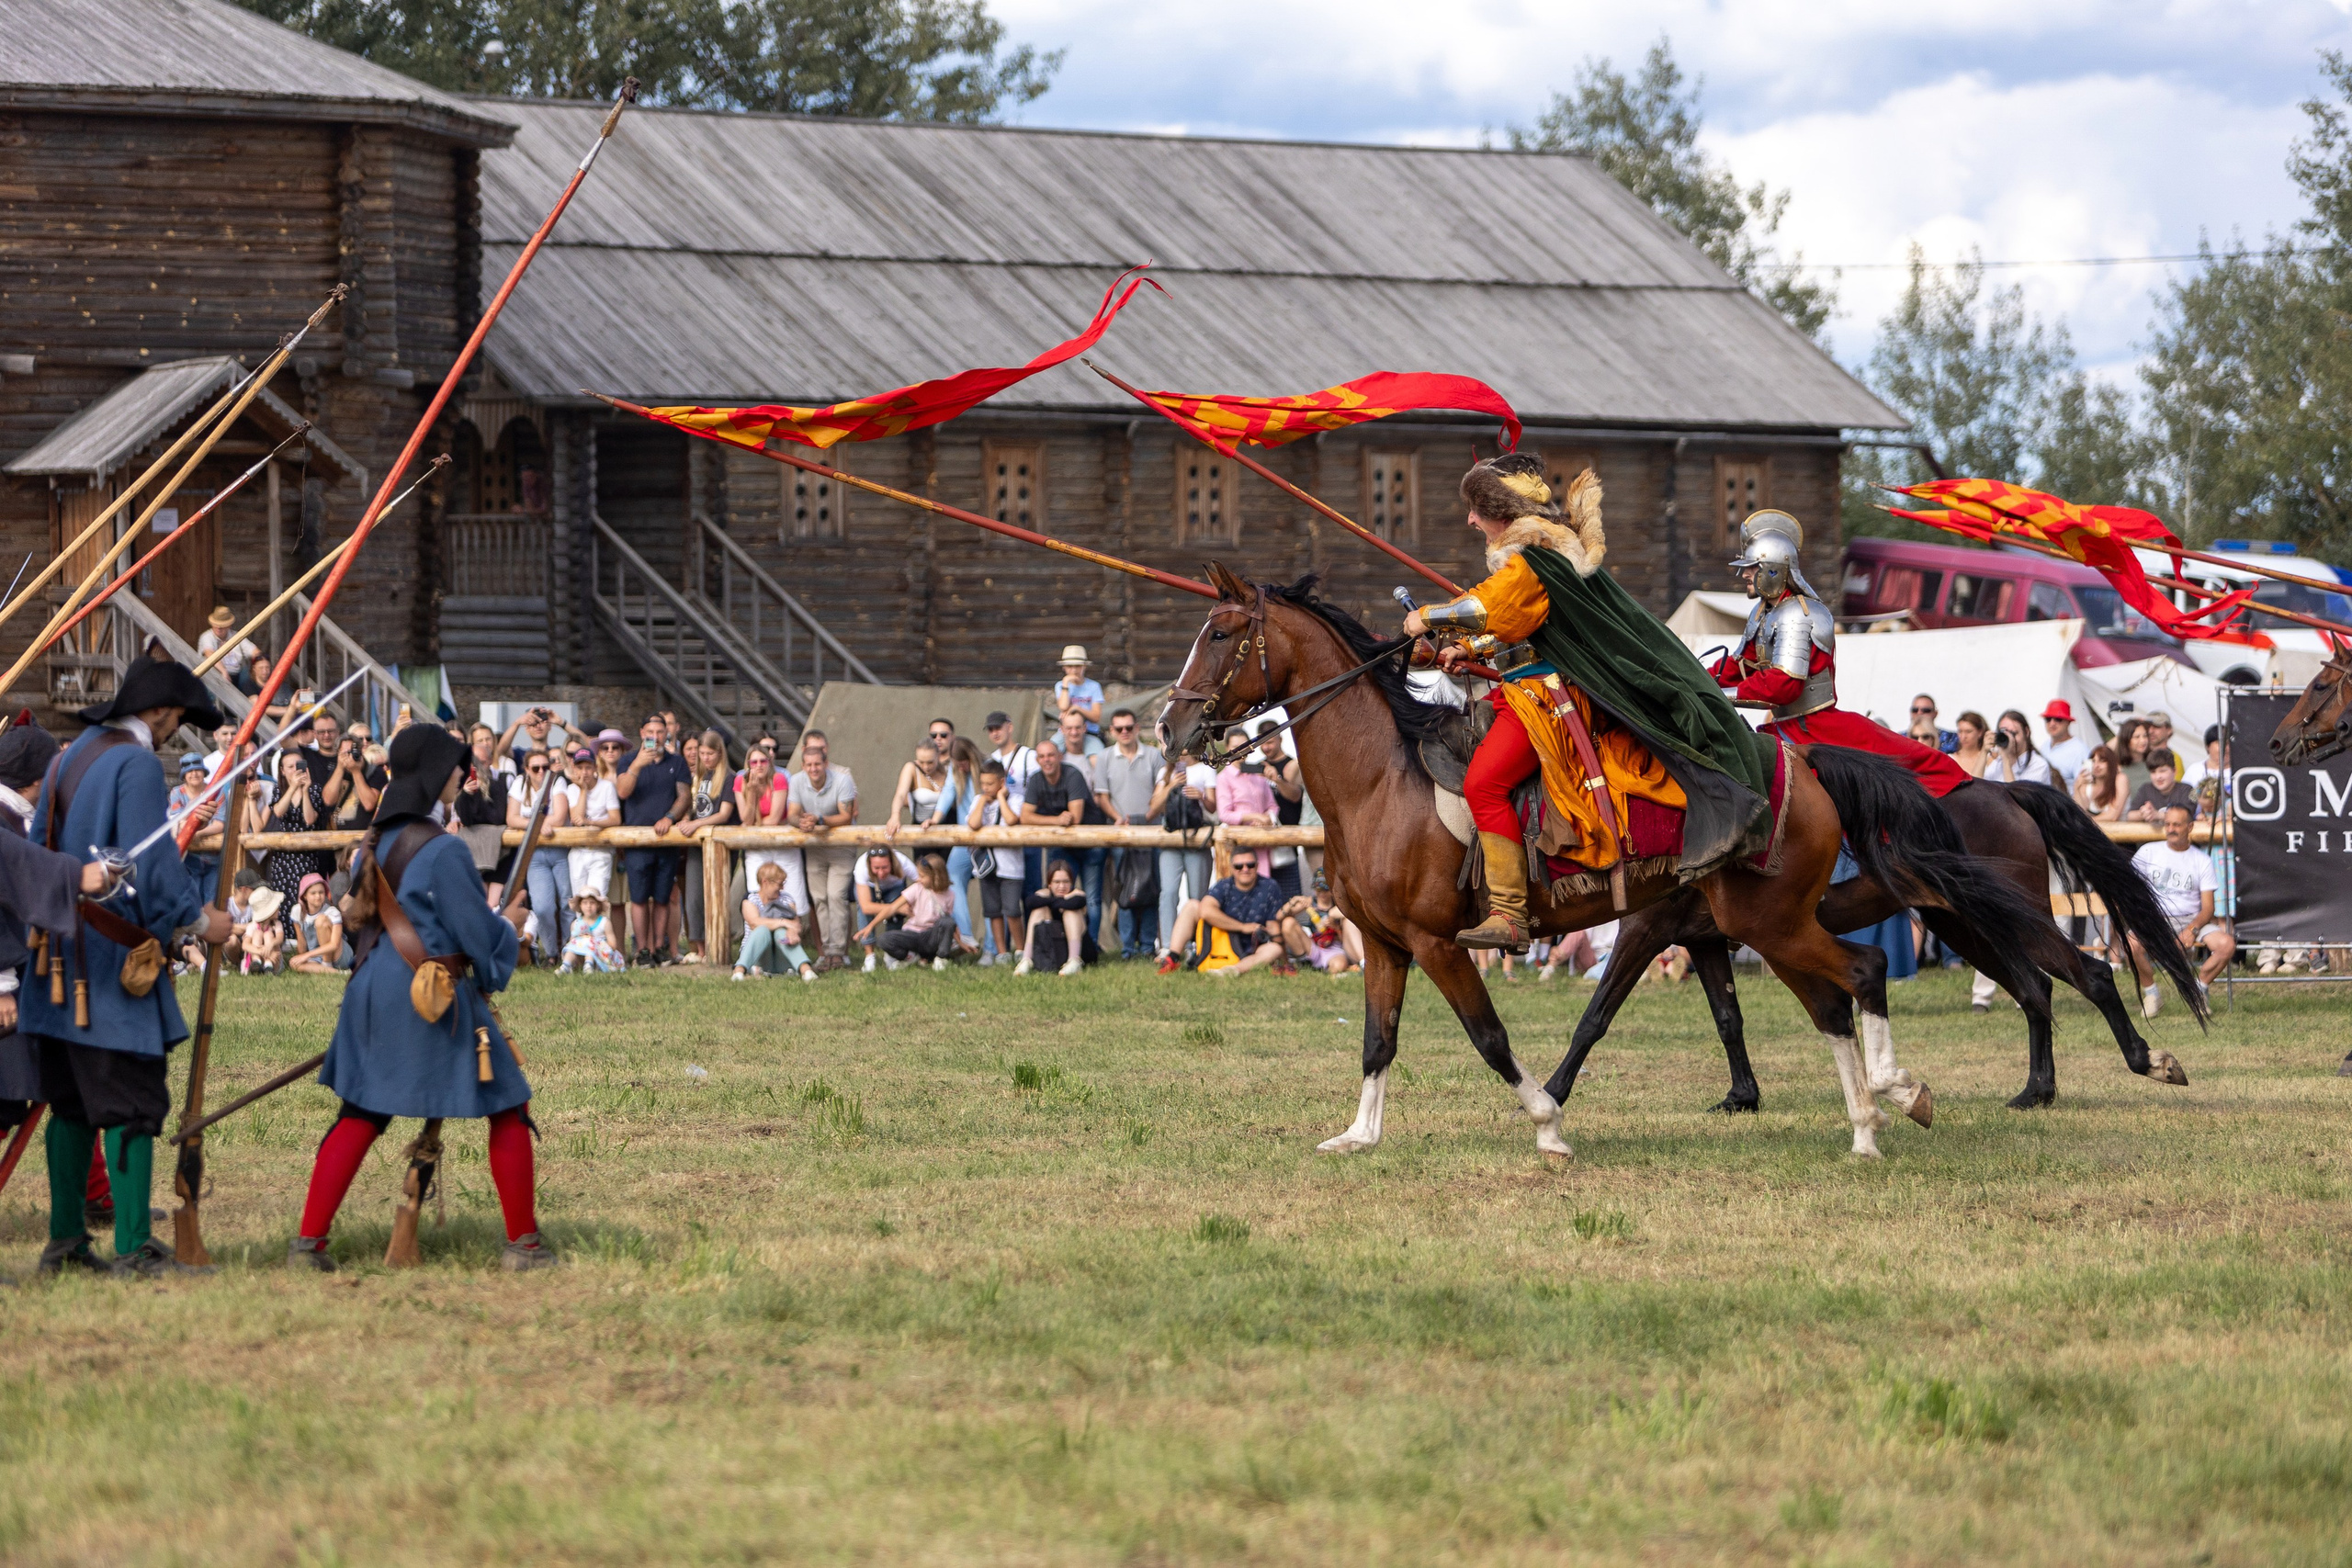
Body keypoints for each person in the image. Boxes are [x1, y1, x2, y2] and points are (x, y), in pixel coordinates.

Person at [1404, 457, 1782, 950]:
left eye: (1476, 509)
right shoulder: (1535, 556)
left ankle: (1510, 914)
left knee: (1484, 784)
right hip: (1522, 686)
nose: (1470, 521)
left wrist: (1428, 619)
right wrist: (1468, 650)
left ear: (1496, 510)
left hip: (1546, 698)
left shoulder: (1528, 557)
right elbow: (1522, 627)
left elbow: (1486, 607)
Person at [289, 725, 549, 1272]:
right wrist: (512, 927)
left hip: (372, 987)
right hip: (425, 992)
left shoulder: (375, 841)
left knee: (361, 1111)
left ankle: (308, 1244)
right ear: (436, 772)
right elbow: (477, 937)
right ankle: (524, 1246)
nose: (462, 773)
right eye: (456, 765)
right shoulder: (444, 850)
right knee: (508, 1104)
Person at [21, 657, 233, 1276]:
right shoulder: (137, 763)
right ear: (160, 711)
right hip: (109, 963)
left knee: (71, 1104)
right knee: (133, 1102)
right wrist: (200, 923)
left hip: (57, 960)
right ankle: (135, 1246)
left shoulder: (66, 757)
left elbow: (37, 853)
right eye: (178, 720)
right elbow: (159, 870)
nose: (175, 733)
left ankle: (66, 1244)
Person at [0, 716, 122, 1234]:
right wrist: (4, 982)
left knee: (66, 1082)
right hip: (7, 984)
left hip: (27, 976)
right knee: (5, 1097)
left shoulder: (19, 816)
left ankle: (95, 1196)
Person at [2127, 803, 2234, 1014]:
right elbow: (2130, 889)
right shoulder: (2148, 852)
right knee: (2131, 944)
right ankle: (2152, 994)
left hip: (2192, 918)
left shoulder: (2201, 860)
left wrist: (2191, 930)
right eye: (2167, 824)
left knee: (2227, 945)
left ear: (2190, 827)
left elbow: (2208, 908)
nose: (2171, 829)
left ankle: (2199, 990)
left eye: (2177, 824)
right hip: (2156, 918)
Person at [1089, 708, 1166, 959]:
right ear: (1112, 731)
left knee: (1151, 888)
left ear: (1136, 729)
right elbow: (1101, 796)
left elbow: (1161, 790)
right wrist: (1117, 818)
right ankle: (1127, 947)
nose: (1124, 732)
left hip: (1151, 828)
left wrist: (1150, 816)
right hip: (1121, 831)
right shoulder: (1104, 757)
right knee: (1124, 891)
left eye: (1129, 727)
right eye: (1119, 728)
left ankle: (1146, 944)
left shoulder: (1154, 755)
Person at [616, 714, 692, 966]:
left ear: (666, 734)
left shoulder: (677, 762)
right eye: (651, 732)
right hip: (636, 841)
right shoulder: (628, 760)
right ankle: (642, 950)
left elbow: (684, 796)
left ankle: (659, 947)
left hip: (666, 840)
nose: (655, 737)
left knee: (661, 896)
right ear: (642, 733)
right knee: (638, 898)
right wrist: (637, 765)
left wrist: (670, 817)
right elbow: (623, 791)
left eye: (660, 732)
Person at [1019, 736, 1108, 940]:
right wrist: (1056, 819)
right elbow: (1025, 816)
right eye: (1042, 756)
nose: (1047, 760)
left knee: (1092, 898)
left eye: (1051, 755)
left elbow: (1074, 817)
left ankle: (1090, 945)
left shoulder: (1072, 774)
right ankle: (1060, 940)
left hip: (1091, 843)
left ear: (1059, 756)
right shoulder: (1036, 780)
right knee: (1056, 893)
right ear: (1037, 760)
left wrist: (1051, 820)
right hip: (1061, 844)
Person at [1174, 849, 1304, 978]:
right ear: (1231, 868)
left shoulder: (1270, 886)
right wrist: (1242, 927)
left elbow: (1273, 926)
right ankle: (1172, 958)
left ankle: (1231, 971)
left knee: (1274, 949)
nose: (1245, 869)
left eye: (1250, 865)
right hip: (1220, 942)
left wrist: (1284, 961)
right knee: (1192, 906)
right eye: (1239, 866)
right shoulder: (1224, 886)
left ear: (1257, 866)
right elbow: (1206, 911)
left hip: (1251, 947)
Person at [786, 733, 859, 963]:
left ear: (826, 764)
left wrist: (820, 820)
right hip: (814, 846)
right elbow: (792, 814)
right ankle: (826, 951)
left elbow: (846, 816)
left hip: (841, 845)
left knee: (836, 895)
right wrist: (802, 822)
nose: (813, 769)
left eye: (817, 764)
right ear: (803, 765)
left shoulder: (842, 779)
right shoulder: (797, 781)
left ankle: (838, 951)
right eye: (809, 764)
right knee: (819, 898)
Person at [1149, 748, 1218, 973]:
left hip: (1196, 837)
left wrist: (1201, 796)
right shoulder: (1165, 773)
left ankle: (1197, 943)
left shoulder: (1206, 770)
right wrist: (1170, 786)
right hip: (1171, 837)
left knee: (1197, 895)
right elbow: (1152, 809)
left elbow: (1212, 807)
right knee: (1168, 892)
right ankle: (1168, 946)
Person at [256, 747, 333, 938]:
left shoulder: (315, 789)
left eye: (297, 765)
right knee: (283, 897)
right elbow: (279, 812)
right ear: (282, 770)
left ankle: (307, 938)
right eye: (289, 767)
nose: (294, 770)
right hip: (283, 855)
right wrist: (292, 788)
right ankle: (285, 938)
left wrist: (304, 790)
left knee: (305, 898)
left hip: (307, 855)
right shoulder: (278, 789)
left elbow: (309, 819)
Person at [677, 731, 736, 964]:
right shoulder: (699, 777)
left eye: (710, 753)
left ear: (720, 753)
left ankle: (716, 947)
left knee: (716, 895)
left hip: (720, 844)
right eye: (702, 754)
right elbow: (695, 806)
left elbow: (724, 813)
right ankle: (699, 948)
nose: (705, 758)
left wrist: (696, 824)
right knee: (693, 897)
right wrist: (686, 819)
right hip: (697, 845)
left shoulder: (729, 778)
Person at [511, 747, 571, 960]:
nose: (541, 772)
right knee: (542, 907)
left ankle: (570, 952)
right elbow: (512, 818)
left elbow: (561, 816)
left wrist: (535, 825)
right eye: (535, 768)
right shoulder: (519, 783)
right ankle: (551, 953)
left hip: (560, 850)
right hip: (534, 854)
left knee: (566, 903)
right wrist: (538, 825)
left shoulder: (557, 781)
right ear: (526, 769)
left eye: (545, 767)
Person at [967, 761, 1027, 963]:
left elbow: (1011, 820)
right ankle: (1002, 952)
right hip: (986, 867)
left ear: (1002, 782)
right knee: (993, 911)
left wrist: (1001, 798)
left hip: (1010, 866)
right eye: (982, 783)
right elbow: (973, 824)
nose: (985, 788)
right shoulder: (978, 800)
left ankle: (1020, 949)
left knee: (1012, 910)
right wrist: (983, 802)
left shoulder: (1016, 798)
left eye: (990, 784)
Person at [937, 736, 986, 958]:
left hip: (988, 835)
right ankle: (965, 934)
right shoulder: (954, 773)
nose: (961, 768)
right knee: (952, 879)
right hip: (965, 836)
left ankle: (995, 948)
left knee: (991, 889)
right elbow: (947, 793)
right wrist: (935, 818)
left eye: (964, 763)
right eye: (957, 765)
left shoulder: (986, 767)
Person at [453, 724, 511, 903]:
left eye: (483, 762)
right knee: (477, 900)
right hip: (474, 854)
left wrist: (478, 799)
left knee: (492, 904)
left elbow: (497, 817)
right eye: (474, 763)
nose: (479, 767)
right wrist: (466, 795)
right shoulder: (462, 788)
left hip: (498, 854)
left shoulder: (499, 783)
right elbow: (467, 819)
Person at [872, 854, 962, 971]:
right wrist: (870, 927)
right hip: (913, 934)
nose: (918, 879)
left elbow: (949, 924)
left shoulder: (949, 895)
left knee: (947, 921)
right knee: (884, 939)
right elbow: (892, 907)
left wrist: (961, 943)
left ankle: (941, 958)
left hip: (931, 936)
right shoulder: (917, 888)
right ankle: (909, 957)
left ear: (935, 876)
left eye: (922, 876)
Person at [733, 860, 816, 981]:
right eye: (779, 884)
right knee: (762, 930)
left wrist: (792, 932)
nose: (782, 887)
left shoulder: (786, 899)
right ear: (765, 882)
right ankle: (739, 971)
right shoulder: (750, 899)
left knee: (781, 933)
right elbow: (754, 922)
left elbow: (796, 925)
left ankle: (807, 971)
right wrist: (783, 922)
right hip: (758, 955)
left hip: (781, 953)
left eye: (783, 883)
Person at [563, 746, 620, 917]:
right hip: (578, 851)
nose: (584, 772)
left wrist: (591, 822)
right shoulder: (572, 789)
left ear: (595, 768)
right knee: (579, 903)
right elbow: (577, 819)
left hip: (601, 851)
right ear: (574, 768)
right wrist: (583, 790)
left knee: (596, 900)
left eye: (588, 767)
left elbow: (615, 819)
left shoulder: (607, 787)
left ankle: (597, 942)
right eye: (580, 768)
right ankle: (582, 942)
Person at [1015, 860, 1098, 976]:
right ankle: (1026, 960)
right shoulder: (1045, 893)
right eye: (1057, 882)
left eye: (1066, 882)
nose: (1061, 886)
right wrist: (1056, 900)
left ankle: (1074, 961)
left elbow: (1077, 902)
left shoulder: (1077, 894)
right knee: (1039, 911)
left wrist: (1051, 901)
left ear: (1071, 883)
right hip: (1053, 949)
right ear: (1050, 884)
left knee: (1070, 911)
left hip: (1083, 951)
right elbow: (1030, 902)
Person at [853, 846, 917, 970]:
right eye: (876, 868)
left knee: (896, 908)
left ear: (892, 863)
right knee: (863, 911)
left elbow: (921, 882)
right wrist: (897, 908)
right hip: (870, 887)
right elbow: (866, 907)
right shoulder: (861, 867)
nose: (881, 873)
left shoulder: (903, 862)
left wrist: (911, 902)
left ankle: (891, 953)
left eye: (885, 867)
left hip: (895, 887)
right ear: (869, 865)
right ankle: (869, 956)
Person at [172, 751, 222, 908]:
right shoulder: (176, 793)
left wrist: (196, 832)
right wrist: (194, 803)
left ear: (204, 772)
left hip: (213, 857)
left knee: (210, 902)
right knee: (191, 900)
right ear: (184, 775)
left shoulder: (216, 791)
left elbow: (220, 824)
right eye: (190, 771)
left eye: (198, 770)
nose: (194, 774)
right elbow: (177, 822)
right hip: (189, 858)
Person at [1298, 879, 1362, 975]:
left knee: (1339, 964)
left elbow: (1343, 940)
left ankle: (1333, 971)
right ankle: (1301, 963)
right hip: (1315, 945)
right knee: (1288, 923)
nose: (1322, 894)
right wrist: (1296, 900)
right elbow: (1282, 915)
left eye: (1325, 890)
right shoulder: (1311, 903)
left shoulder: (1338, 907)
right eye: (1319, 890)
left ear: (1332, 892)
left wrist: (1335, 927)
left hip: (1335, 948)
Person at [287, 873, 346, 974]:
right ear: (304, 895)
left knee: (321, 920)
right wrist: (301, 957)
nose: (318, 896)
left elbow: (334, 945)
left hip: (337, 954)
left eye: (321, 892)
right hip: (316, 956)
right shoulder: (297, 911)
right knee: (295, 965)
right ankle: (335, 972)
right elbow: (301, 941)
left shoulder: (332, 912)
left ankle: (327, 964)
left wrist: (307, 955)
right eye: (313, 893)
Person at [197, 605, 264, 695]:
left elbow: (255, 651)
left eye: (222, 626)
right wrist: (223, 671)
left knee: (248, 674)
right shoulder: (207, 636)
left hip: (237, 675)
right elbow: (209, 654)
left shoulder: (236, 636)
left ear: (229, 625)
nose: (218, 628)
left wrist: (259, 664)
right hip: (215, 675)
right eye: (216, 625)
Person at [560, 890, 625, 974]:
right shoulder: (576, 923)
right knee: (571, 948)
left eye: (592, 903)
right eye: (585, 903)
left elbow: (613, 944)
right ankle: (566, 965)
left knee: (590, 946)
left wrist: (595, 942)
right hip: (581, 955)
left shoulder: (604, 922)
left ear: (598, 905)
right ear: (580, 905)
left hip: (600, 954)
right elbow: (572, 942)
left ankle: (589, 966)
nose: (589, 906)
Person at [1986, 709, 2055, 785]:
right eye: (2004, 733)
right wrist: (1983, 752)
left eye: (2013, 733)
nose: (2009, 738)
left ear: (2026, 732)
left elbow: (2014, 795)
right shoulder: (1998, 763)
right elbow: (1976, 790)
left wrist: (2006, 760)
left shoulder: (2038, 765)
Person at [1052, 646, 1104, 737]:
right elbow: (1063, 707)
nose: (1074, 670)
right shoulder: (1060, 685)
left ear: (1084, 667)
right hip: (1067, 731)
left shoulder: (1094, 686)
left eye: (1078, 666)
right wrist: (1066, 683)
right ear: (1064, 668)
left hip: (1090, 731)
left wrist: (1077, 708)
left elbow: (1096, 717)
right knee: (1051, 748)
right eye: (1070, 666)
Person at [2128, 756, 2198, 821]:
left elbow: (2186, 816)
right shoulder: (2145, 789)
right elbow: (2129, 815)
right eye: (2153, 772)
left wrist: (2158, 815)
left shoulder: (2187, 790)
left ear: (2174, 771)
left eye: (2162, 771)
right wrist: (2144, 813)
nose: (2158, 777)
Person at [2041, 700, 2090, 787]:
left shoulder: (2080, 750)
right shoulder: (2044, 746)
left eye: (2058, 719)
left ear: (2068, 722)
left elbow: (2085, 788)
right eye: (2048, 719)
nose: (2052, 723)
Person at [2074, 744, 2128, 824]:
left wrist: (2088, 822)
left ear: (2111, 763)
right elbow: (2080, 813)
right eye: (2093, 761)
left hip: (2122, 832)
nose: (2096, 766)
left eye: (2102, 761)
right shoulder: (2086, 784)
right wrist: (2077, 787)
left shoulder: (2120, 779)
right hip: (2094, 832)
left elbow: (2113, 816)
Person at [496, 705, 561, 772]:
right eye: (533, 723)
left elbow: (572, 742)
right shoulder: (520, 755)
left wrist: (562, 722)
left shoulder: (557, 754)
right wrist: (517, 723)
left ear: (549, 726)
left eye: (542, 722)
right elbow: (500, 751)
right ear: (527, 729)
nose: (538, 726)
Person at [241, 887, 288, 976]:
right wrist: (262, 952)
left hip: (274, 959)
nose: (279, 909)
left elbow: (280, 938)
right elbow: (245, 945)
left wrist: (271, 945)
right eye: (276, 907)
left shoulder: (276, 924)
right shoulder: (252, 926)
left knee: (268, 934)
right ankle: (256, 962)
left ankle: (268, 965)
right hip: (258, 954)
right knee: (257, 933)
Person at [2114, 717, 2154, 796]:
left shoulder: (2153, 762)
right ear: (2126, 739)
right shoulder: (2117, 767)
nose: (2143, 741)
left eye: (2145, 736)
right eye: (2137, 737)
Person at [2143, 711, 2185, 776]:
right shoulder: (2138, 755)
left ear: (2169, 730)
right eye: (2147, 727)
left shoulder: (2175, 758)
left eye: (2156, 726)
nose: (2150, 731)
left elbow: (2177, 785)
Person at [1951, 712, 1992, 778]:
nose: (1963, 737)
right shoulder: (1950, 760)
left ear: (1980, 732)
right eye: (1960, 731)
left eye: (1968, 731)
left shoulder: (1991, 759)